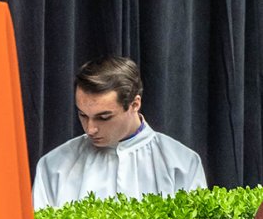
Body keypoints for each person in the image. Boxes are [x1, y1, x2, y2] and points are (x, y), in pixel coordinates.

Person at [32, 56, 206, 209]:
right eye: (83, 115)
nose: (90, 129)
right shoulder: (54, 165)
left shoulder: (182, 164)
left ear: (135, 104)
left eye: (104, 117)